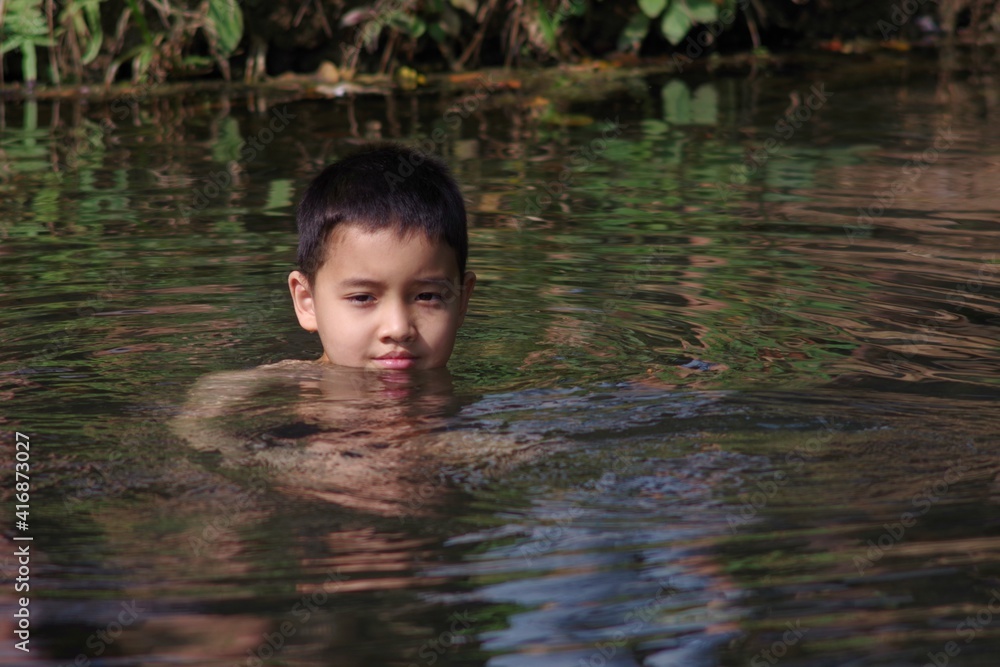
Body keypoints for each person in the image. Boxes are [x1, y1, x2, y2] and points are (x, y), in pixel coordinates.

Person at [287, 143, 477, 370]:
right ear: (307, 302)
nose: (398, 329)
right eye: (362, 298)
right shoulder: (276, 387)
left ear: (462, 301)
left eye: (427, 296)